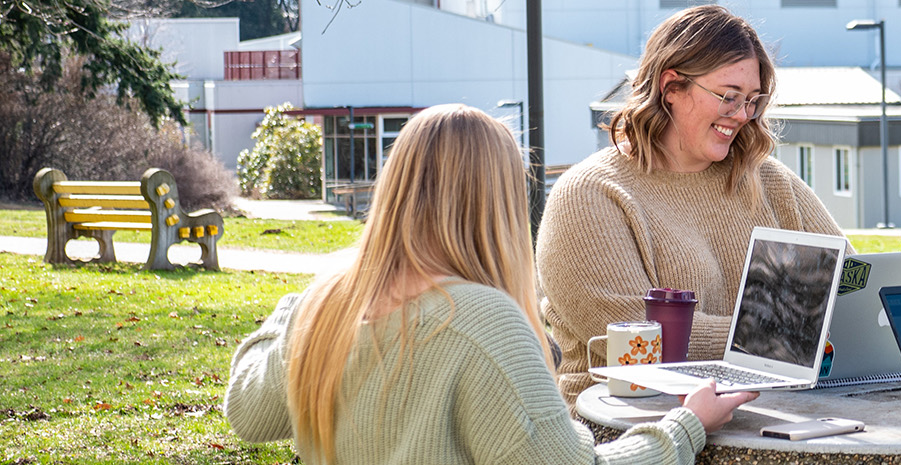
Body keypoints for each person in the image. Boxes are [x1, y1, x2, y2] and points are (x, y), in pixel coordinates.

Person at [223, 104, 758, 464]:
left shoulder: (328, 302)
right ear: (497, 201)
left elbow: (247, 413)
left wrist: (304, 300)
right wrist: (687, 423)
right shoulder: (481, 320)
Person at [537, 5, 845, 402]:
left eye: (752, 100)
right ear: (671, 87)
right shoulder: (590, 195)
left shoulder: (769, 180)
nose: (742, 115)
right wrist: (792, 338)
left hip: (779, 409)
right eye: (729, 96)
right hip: (636, 429)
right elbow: (635, 338)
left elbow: (853, 285)